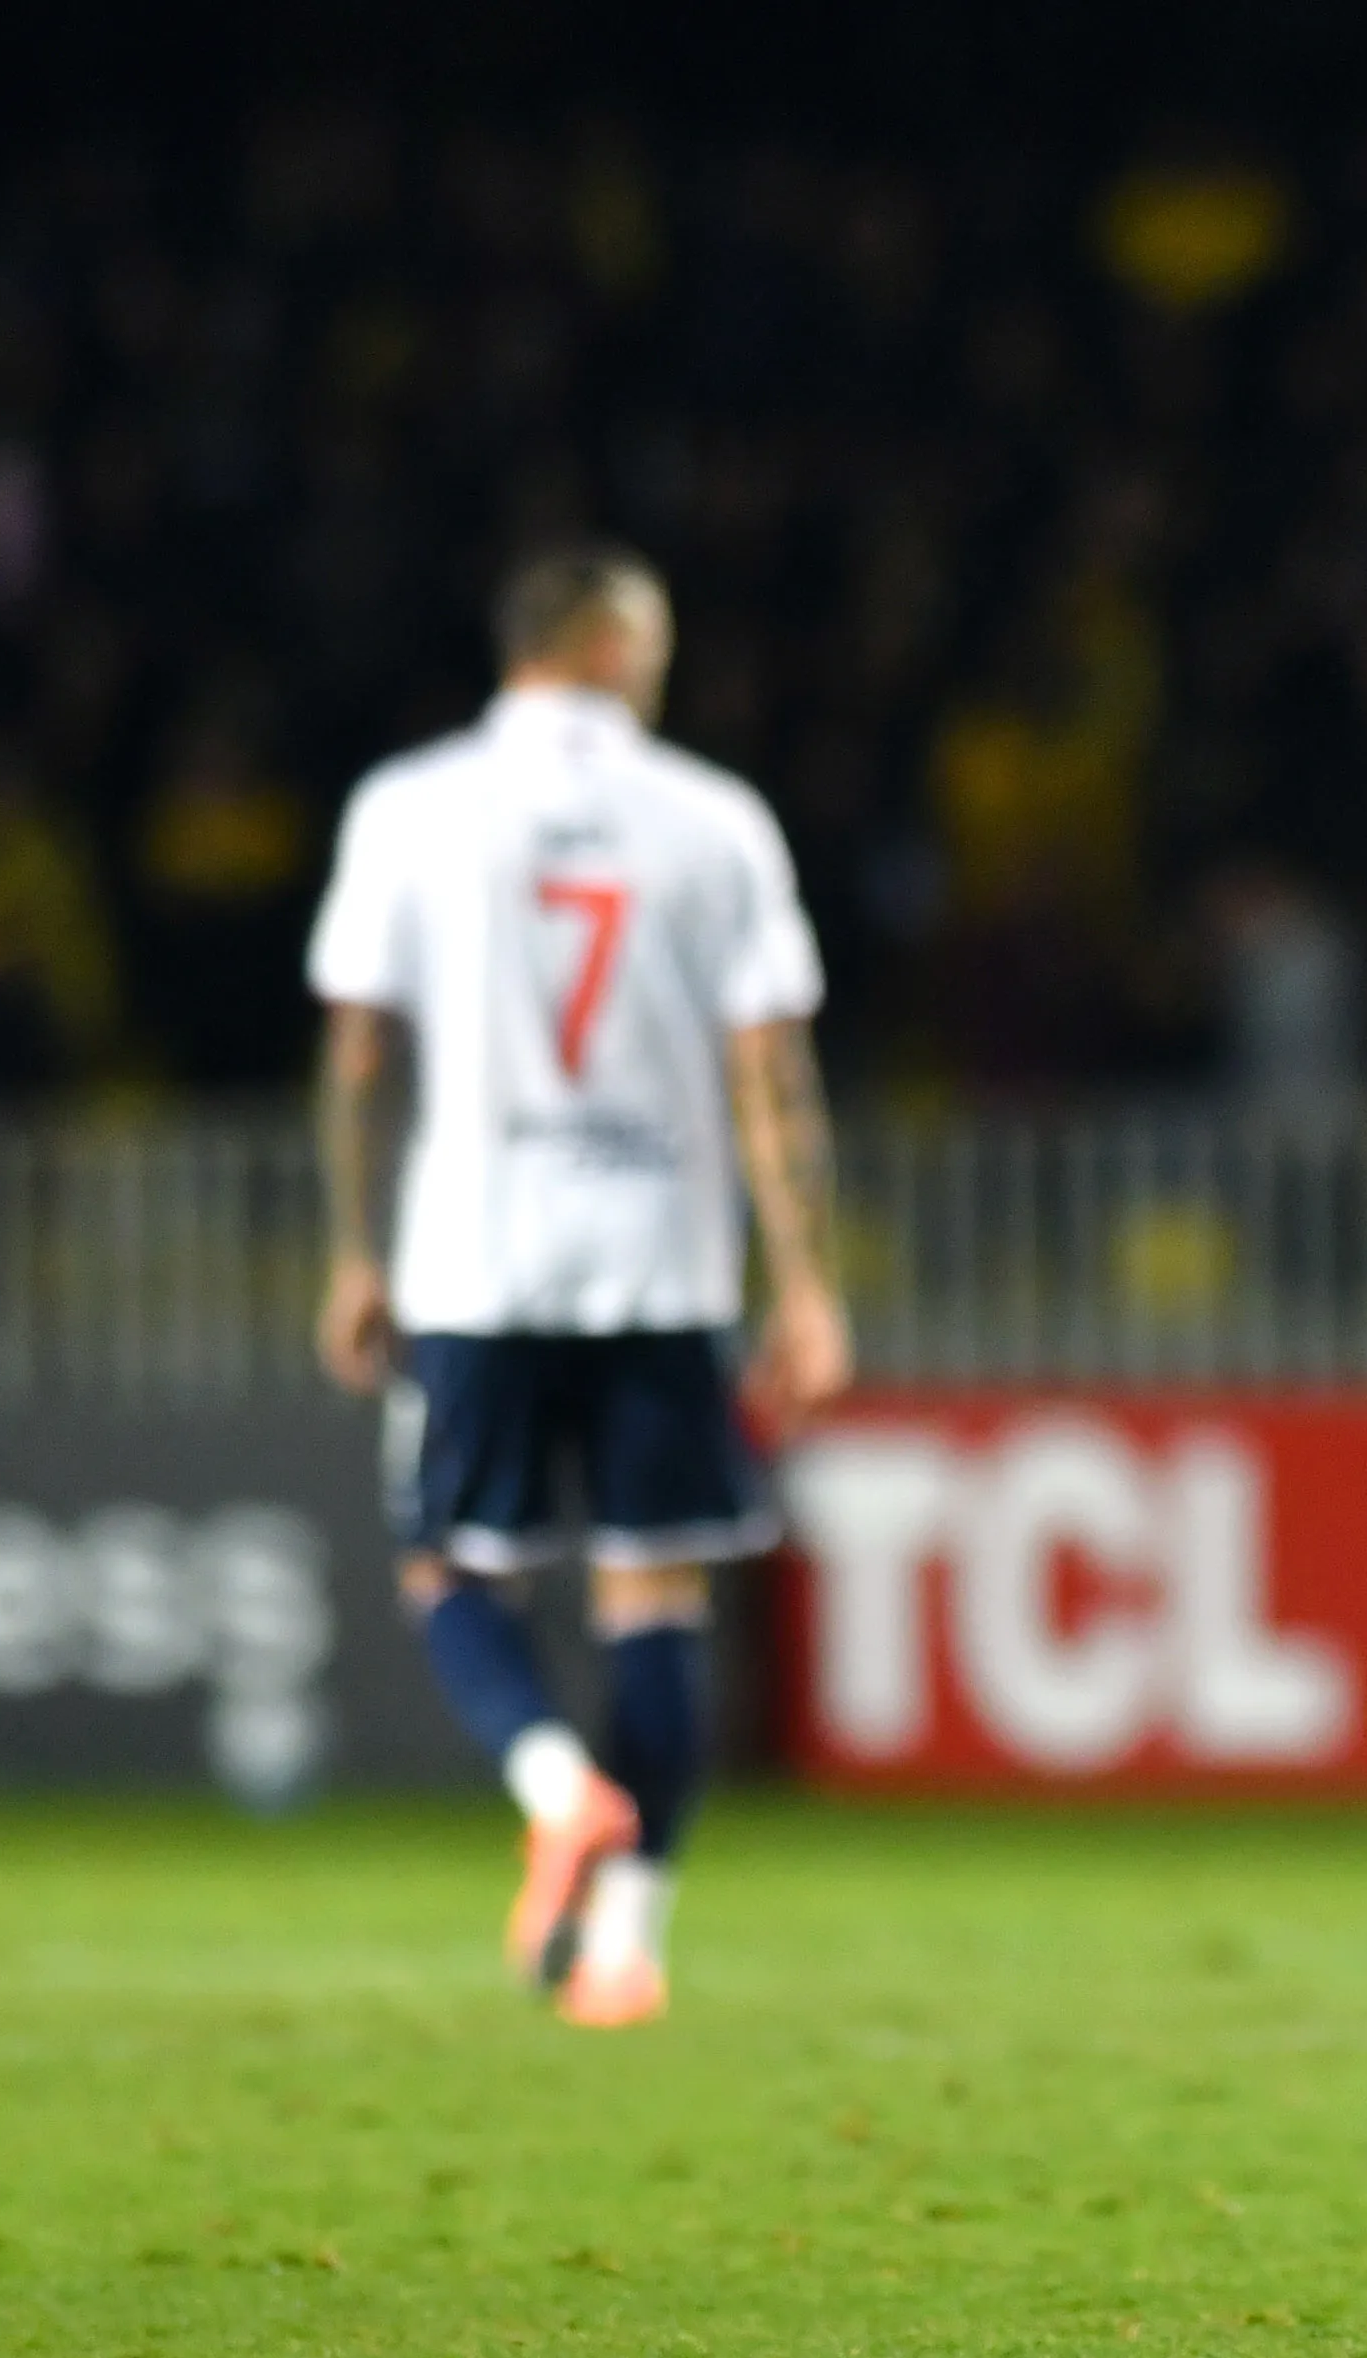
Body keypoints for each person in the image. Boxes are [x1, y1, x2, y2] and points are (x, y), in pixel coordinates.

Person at [308, 544, 850, 2029]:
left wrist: (357, 1248)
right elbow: (770, 1068)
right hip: (661, 1266)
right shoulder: (715, 819)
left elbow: (363, 1050)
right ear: (610, 646)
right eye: (656, 640)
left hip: (476, 1259)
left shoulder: (410, 807)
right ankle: (626, 1950)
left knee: (450, 1570)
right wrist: (802, 1280)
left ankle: (555, 1785)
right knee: (654, 1595)